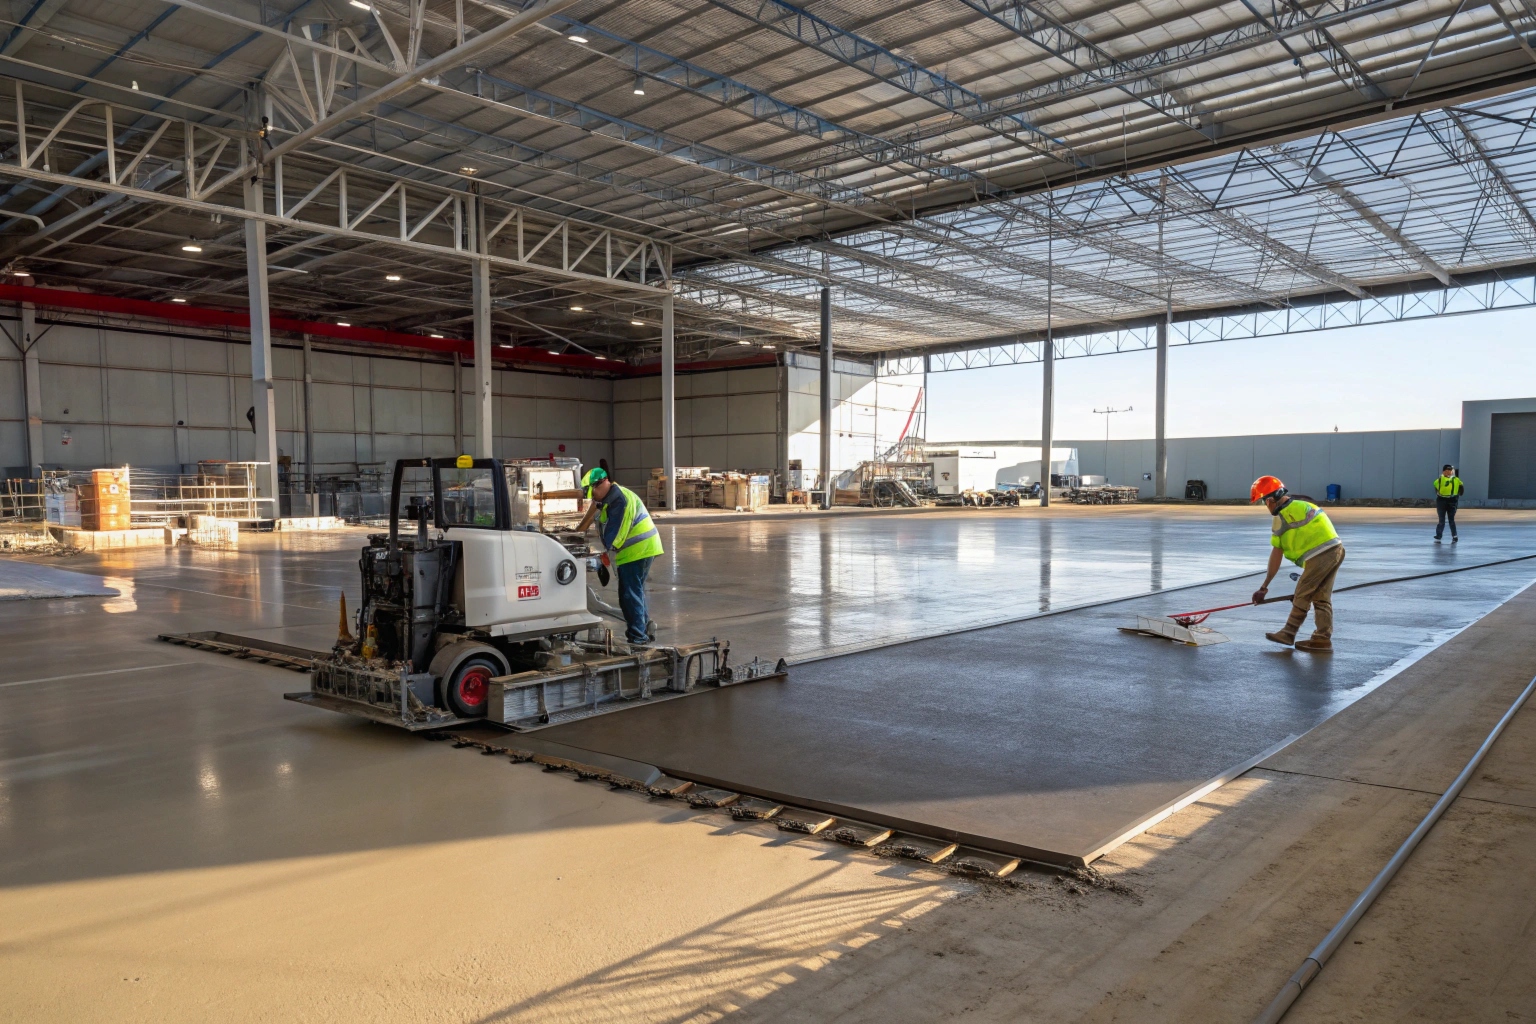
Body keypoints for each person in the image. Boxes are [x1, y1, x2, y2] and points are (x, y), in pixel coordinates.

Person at [1250, 475, 1345, 652]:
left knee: (1302, 593)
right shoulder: (1305, 505)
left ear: (1270, 499)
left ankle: (1288, 632)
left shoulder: (1281, 517)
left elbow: (1276, 556)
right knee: (1321, 597)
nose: (1265, 506)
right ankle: (1322, 639)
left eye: (1264, 501)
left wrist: (1264, 587)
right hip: (1336, 549)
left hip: (1321, 555)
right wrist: (1264, 588)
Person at [581, 467, 662, 645]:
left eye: (592, 493)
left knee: (629, 595)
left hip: (637, 550)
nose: (592, 498)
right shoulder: (610, 499)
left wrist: (598, 555)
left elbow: (615, 536)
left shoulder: (619, 500)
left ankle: (637, 638)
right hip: (640, 549)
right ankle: (645, 629)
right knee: (635, 592)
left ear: (601, 484)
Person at [1433, 464, 1463, 543]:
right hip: (1441, 500)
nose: (1448, 472)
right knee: (1441, 519)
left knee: (1451, 519)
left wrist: (1457, 495)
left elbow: (1461, 488)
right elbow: (1436, 489)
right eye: (1446, 471)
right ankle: (1439, 535)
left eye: (1449, 471)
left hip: (1452, 500)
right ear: (1443, 471)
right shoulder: (1439, 480)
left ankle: (1454, 536)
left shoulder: (1456, 480)